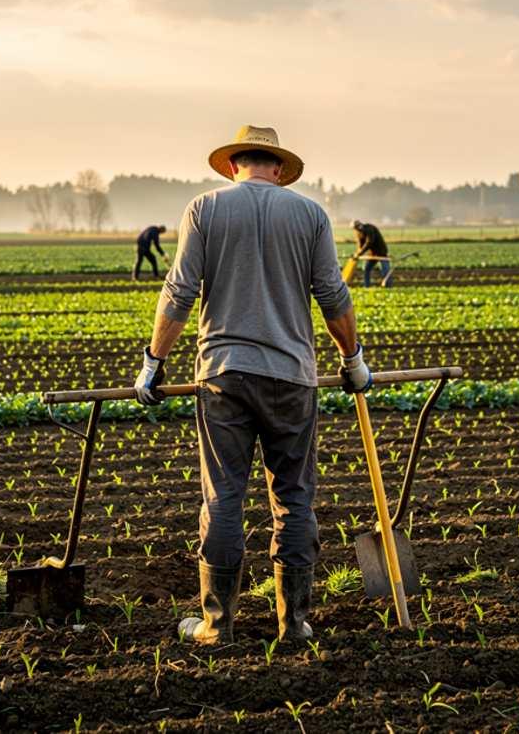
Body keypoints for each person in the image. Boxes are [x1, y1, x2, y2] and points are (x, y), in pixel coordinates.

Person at [133, 125, 371, 646]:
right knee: (294, 498)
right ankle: (295, 624)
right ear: (280, 170)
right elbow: (333, 294)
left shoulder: (205, 209)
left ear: (232, 165)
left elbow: (179, 292)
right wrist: (352, 359)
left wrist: (153, 362)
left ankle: (216, 626)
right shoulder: (310, 215)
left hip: (224, 375)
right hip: (292, 378)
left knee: (223, 497)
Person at [352, 219, 391, 287]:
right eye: (355, 228)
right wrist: (357, 253)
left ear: (360, 225)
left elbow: (369, 242)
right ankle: (367, 286)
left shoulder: (369, 228)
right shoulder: (359, 233)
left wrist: (360, 253)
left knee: (385, 270)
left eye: (358, 227)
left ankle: (388, 286)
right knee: (366, 269)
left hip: (381, 252)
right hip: (372, 254)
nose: (357, 229)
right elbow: (360, 245)